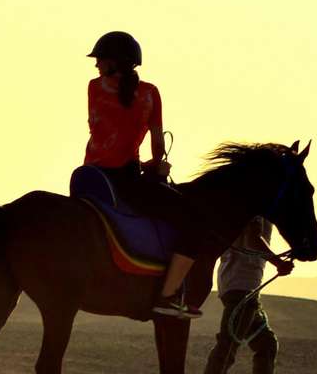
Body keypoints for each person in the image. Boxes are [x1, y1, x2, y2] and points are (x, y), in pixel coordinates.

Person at [83, 31, 218, 319]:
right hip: (126, 180)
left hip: (90, 176)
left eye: (100, 60)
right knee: (194, 224)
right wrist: (155, 165)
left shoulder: (94, 88)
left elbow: (105, 132)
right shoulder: (149, 94)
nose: (96, 66)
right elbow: (157, 149)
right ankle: (167, 296)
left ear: (113, 63)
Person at [189, 217, 297, 374]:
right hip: (241, 288)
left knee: (266, 344)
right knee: (225, 352)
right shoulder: (256, 197)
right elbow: (252, 236)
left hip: (242, 287)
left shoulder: (259, 197)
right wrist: (277, 261)